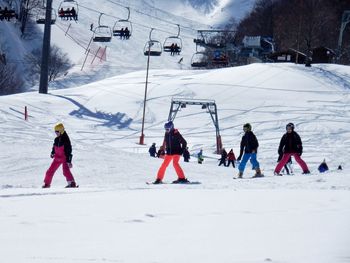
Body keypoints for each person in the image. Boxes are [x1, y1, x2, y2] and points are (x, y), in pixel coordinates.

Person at [43, 123, 77, 188]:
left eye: (57, 132)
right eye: (55, 132)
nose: (56, 133)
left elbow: (69, 151)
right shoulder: (56, 139)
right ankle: (47, 184)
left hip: (64, 157)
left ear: (61, 131)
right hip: (57, 157)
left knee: (65, 171)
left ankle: (72, 183)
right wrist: (52, 153)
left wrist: (69, 161)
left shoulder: (66, 140)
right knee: (50, 171)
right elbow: (54, 147)